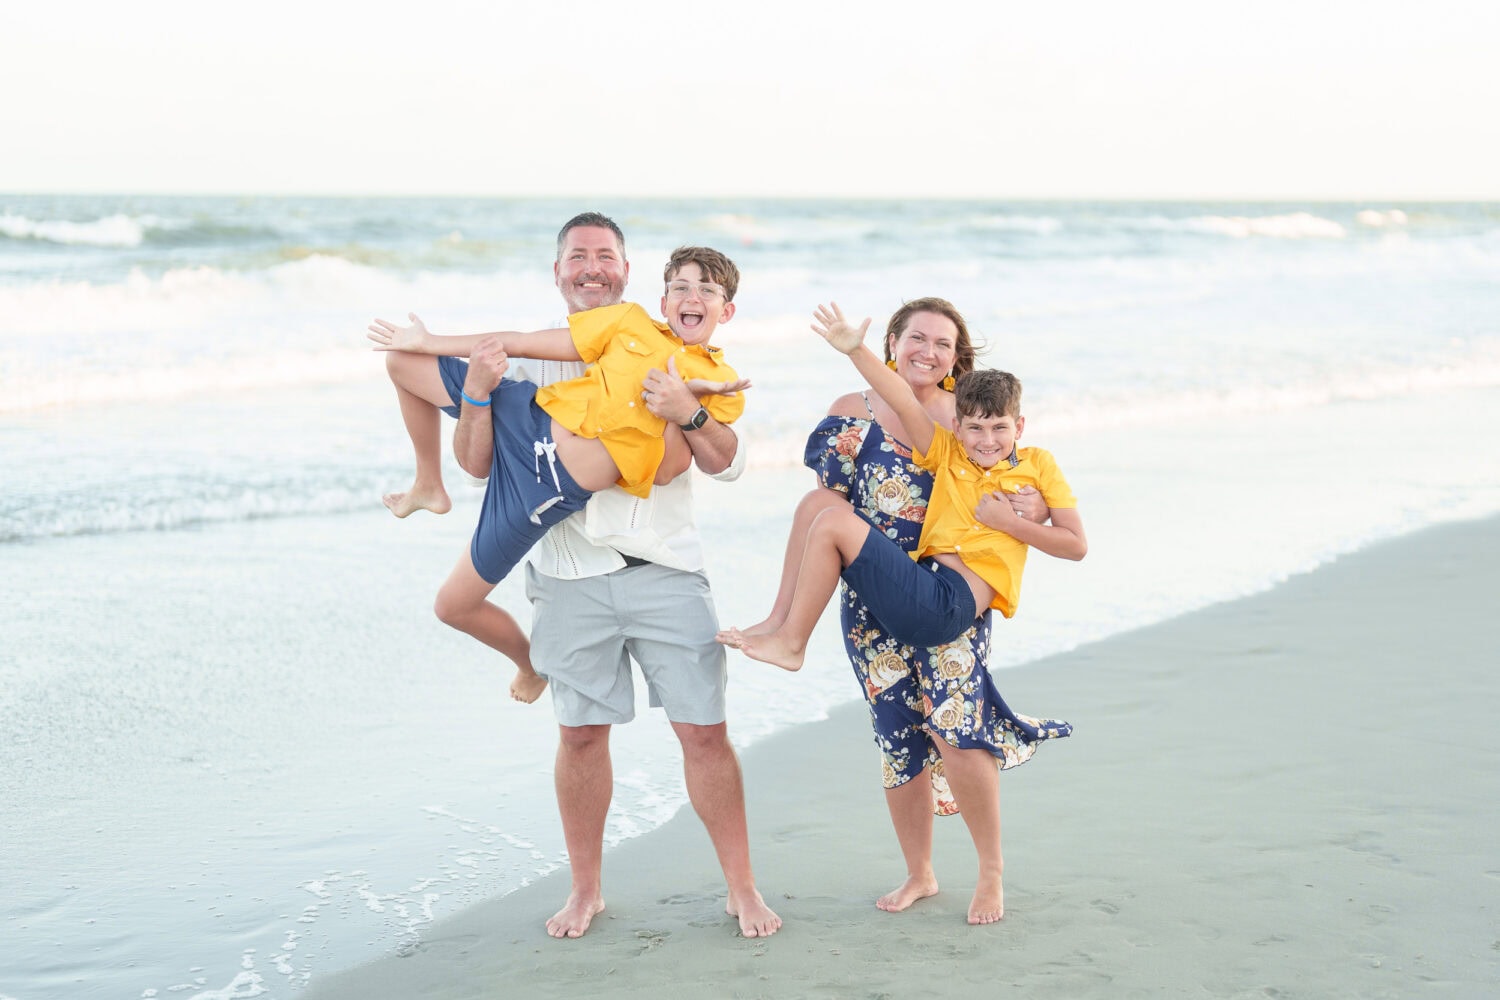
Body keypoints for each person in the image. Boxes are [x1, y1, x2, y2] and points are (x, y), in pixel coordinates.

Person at [381, 213, 781, 939]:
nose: (591, 267)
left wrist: (683, 410)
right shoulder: (543, 358)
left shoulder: (691, 367)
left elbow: (703, 464)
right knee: (581, 738)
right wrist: (464, 380)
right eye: (577, 257)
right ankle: (586, 890)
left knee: (704, 734)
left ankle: (743, 889)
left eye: (605, 257)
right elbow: (479, 463)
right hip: (567, 576)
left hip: (662, 572)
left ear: (627, 275)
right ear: (559, 271)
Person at [720, 298, 1081, 924]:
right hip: (872, 597)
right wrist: (851, 349)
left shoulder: (966, 427)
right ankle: (920, 873)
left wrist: (1027, 516)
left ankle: (990, 872)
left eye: (943, 343)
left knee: (956, 732)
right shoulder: (854, 414)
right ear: (895, 339)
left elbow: (1046, 510)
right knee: (899, 739)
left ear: (957, 357)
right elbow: (822, 510)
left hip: (947, 595)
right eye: (918, 337)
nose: (928, 351)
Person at [367, 245, 750, 701]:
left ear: (725, 311)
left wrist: (683, 405)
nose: (692, 297)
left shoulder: (721, 384)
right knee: (401, 360)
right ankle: (427, 483)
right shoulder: (627, 321)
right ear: (664, 302)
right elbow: (521, 341)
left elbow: (668, 471)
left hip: (545, 488)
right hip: (525, 416)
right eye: (681, 287)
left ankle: (530, 664)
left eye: (706, 290)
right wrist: (429, 342)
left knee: (452, 606)